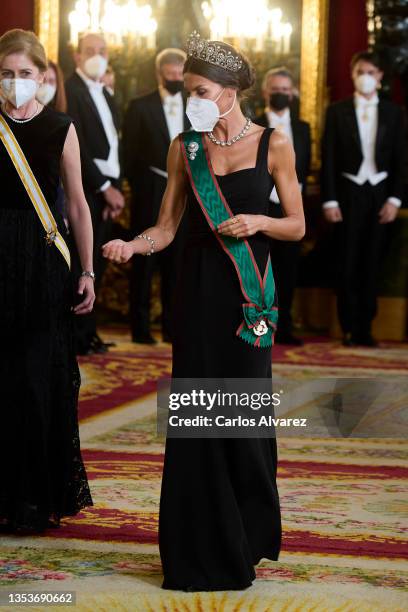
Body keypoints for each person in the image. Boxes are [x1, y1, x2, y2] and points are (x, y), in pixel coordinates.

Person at [103, 32, 304, 591]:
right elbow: (165, 228)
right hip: (195, 293)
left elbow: (297, 224)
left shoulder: (274, 144)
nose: (192, 98)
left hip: (248, 294)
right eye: (188, 89)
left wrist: (259, 222)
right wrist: (131, 244)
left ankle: (248, 530)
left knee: (240, 412)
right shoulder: (183, 146)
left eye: (202, 89)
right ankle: (200, 546)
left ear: (232, 89)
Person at [0, 29, 94, 533]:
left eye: (25, 74)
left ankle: (34, 498)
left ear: (43, 78)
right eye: (7, 74)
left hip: (41, 264)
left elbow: (78, 205)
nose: (16, 83)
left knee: (37, 382)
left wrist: (87, 269)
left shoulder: (60, 126)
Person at [321, 51, 406, 347]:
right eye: (360, 71)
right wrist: (329, 201)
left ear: (380, 76)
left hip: (380, 194)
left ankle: (364, 328)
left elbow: (401, 159)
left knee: (372, 263)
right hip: (347, 194)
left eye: (371, 71)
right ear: (352, 73)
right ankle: (347, 327)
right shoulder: (336, 111)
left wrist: (395, 199)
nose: (365, 77)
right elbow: (328, 157)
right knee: (347, 262)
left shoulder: (395, 113)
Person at [123, 48, 190, 344]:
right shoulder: (139, 106)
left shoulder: (196, 105)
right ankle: (140, 328)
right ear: (159, 73)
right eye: (171, 74)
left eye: (180, 75)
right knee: (144, 262)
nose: (176, 79)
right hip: (149, 190)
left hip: (186, 192)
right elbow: (129, 154)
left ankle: (173, 327)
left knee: (177, 264)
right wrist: (142, 184)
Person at [65, 32, 124, 355]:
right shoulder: (71, 91)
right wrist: (104, 187)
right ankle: (76, 335)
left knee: (96, 264)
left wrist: (115, 186)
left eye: (103, 51)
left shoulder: (107, 93)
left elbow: (116, 144)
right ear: (76, 56)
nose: (97, 56)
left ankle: (89, 334)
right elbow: (80, 149)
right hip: (87, 185)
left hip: (107, 187)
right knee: (80, 262)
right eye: (90, 51)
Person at [258, 67, 311, 344]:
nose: (280, 94)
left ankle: (285, 326)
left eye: (285, 90)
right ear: (266, 92)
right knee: (262, 270)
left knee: (289, 270)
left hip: (291, 208)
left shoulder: (303, 129)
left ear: (292, 93)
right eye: (275, 90)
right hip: (261, 206)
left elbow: (303, 169)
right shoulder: (253, 124)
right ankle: (260, 324)